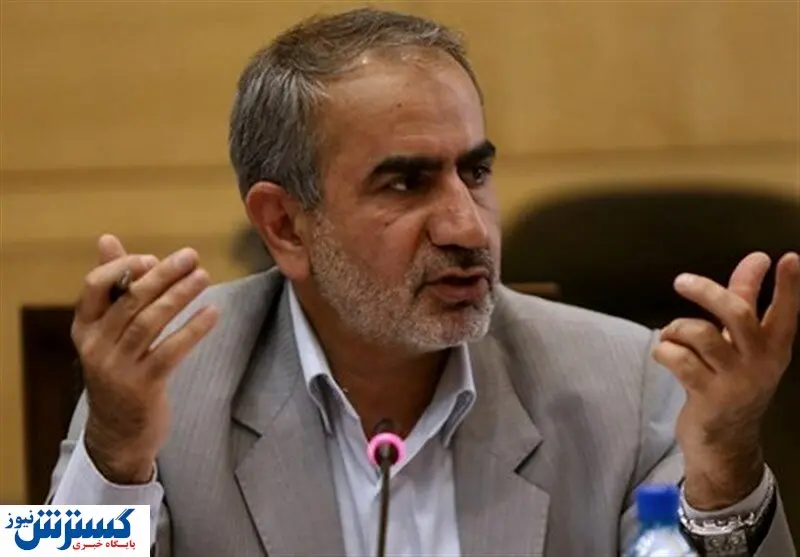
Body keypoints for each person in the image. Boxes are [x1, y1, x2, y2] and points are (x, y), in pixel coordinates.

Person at [49, 8, 798, 557]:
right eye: (406, 183)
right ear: (285, 225)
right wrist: (116, 450)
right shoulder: (166, 378)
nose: (468, 226)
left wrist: (726, 464)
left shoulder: (627, 380)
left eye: (475, 171)